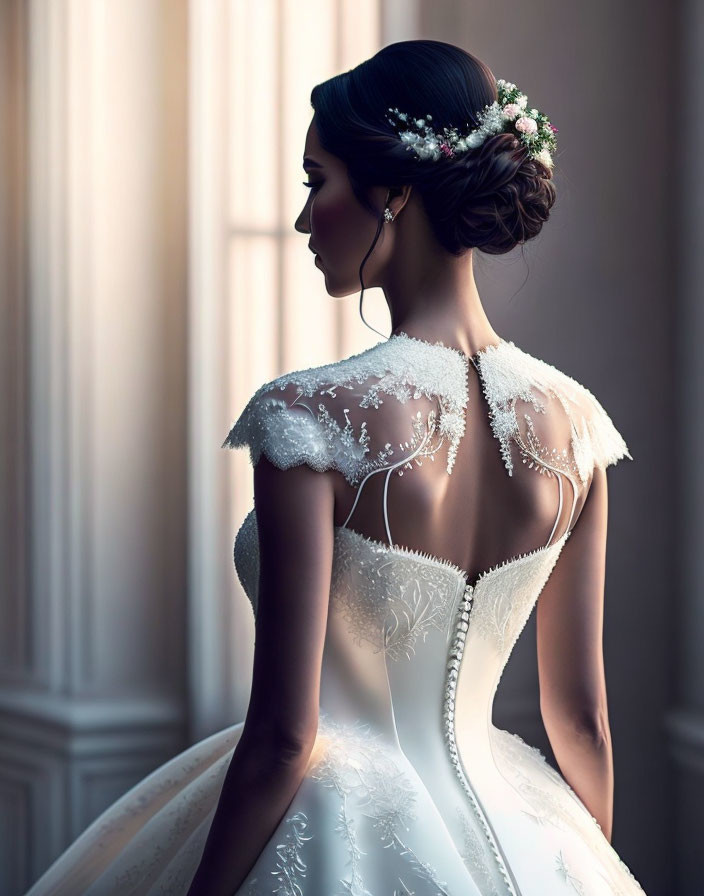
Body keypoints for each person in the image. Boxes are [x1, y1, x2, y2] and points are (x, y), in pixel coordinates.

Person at [26, 39, 647, 896]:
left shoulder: (309, 417)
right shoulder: (578, 426)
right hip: (533, 830)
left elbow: (286, 733)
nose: (302, 217)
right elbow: (581, 722)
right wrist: (587, 868)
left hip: (338, 833)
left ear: (394, 191)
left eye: (316, 181)